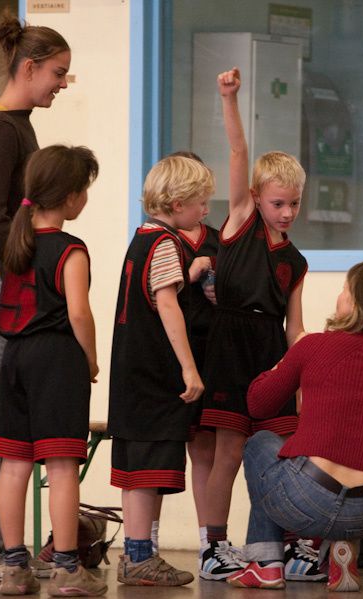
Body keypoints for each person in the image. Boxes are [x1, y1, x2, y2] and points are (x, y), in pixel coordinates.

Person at [226, 261, 363, 592]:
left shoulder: (314, 345)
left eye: (345, 290)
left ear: (357, 305)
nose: (340, 295)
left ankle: (265, 563)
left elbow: (258, 404)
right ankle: (342, 549)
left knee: (262, 443)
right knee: (332, 470)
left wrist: (283, 363)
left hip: (307, 498)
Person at [0, 10, 71, 580]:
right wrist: (24, 269)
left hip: (1, 277)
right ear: (29, 67)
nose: (62, 83)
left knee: (1, 423)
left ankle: (1, 552)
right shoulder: (3, 126)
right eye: (57, 71)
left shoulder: (16, 122)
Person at [198, 67, 309, 582]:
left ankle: (274, 544)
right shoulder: (239, 220)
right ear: (256, 198)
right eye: (277, 203)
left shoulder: (297, 262)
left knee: (278, 448)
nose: (286, 212)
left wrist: (301, 373)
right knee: (228, 450)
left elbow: (296, 326)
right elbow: (239, 153)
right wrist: (230, 98)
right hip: (227, 343)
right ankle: (212, 544)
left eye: (293, 204)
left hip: (269, 351)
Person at [0, 145, 104, 597]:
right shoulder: (70, 249)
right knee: (61, 468)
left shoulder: (16, 243)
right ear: (71, 197)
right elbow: (79, 313)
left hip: (13, 359)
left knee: (14, 463)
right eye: (86, 191)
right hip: (57, 359)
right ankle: (66, 569)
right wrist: (91, 359)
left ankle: (14, 567)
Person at [108, 155, 213, 586]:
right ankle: (139, 558)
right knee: (148, 469)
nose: (205, 210)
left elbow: (159, 286)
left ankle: (136, 554)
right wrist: (190, 370)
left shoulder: (143, 239)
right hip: (154, 378)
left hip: (129, 377)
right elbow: (166, 305)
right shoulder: (167, 243)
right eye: (200, 203)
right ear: (175, 203)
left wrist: (191, 272)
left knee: (136, 470)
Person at [148, 151, 220, 557]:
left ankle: (209, 543)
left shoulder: (214, 239)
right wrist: (190, 278)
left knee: (204, 451)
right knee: (160, 453)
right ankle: (147, 541)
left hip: (207, 353)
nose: (204, 208)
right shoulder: (160, 240)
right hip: (170, 358)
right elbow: (159, 299)